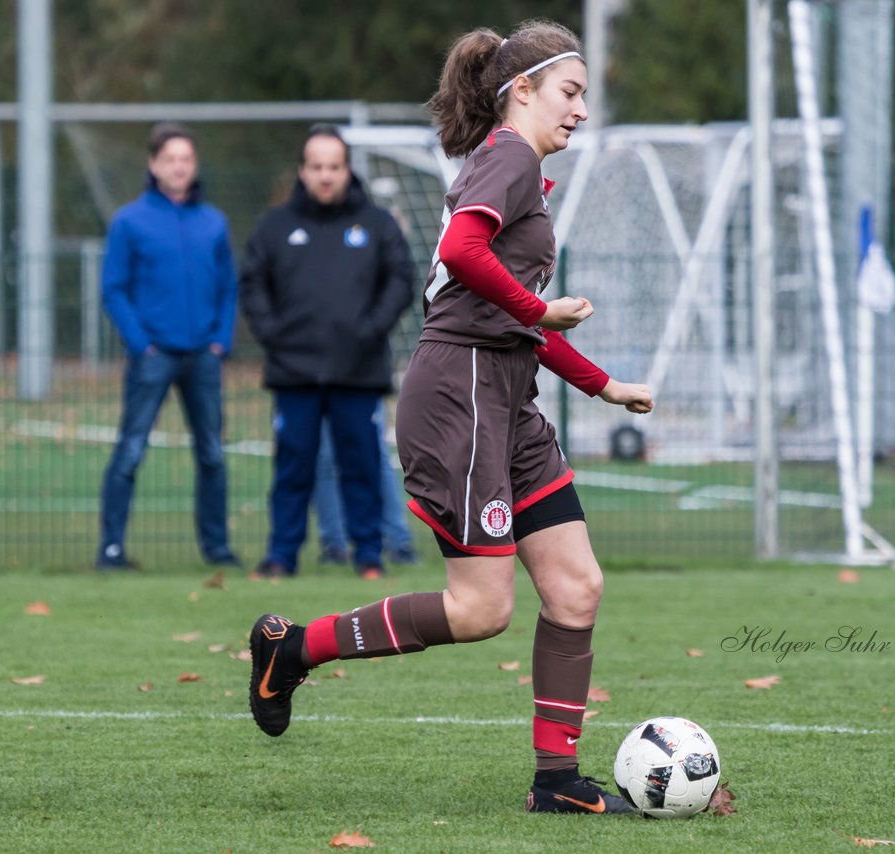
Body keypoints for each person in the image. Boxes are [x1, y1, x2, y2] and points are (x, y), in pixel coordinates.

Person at [246, 21, 654, 816]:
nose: (580, 112)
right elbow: (467, 254)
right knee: (482, 610)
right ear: (522, 91)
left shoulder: (522, 171)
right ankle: (290, 647)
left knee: (576, 587)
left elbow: (517, 327)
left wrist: (602, 385)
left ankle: (556, 782)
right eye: (570, 94)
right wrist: (541, 308)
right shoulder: (506, 156)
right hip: (460, 397)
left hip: (505, 395)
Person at [240, 124, 414, 580]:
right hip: (294, 372)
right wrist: (274, 333)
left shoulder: (376, 225)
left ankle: (369, 555)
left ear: (345, 170)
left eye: (333, 167)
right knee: (292, 469)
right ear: (302, 171)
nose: (325, 176)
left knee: (361, 466)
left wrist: (371, 329)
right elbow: (252, 282)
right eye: (316, 167)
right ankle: (281, 556)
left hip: (358, 371)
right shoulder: (274, 226)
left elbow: (400, 281)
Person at [97, 122, 240, 570]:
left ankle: (217, 549)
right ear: (153, 164)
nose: (179, 167)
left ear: (194, 166)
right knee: (131, 450)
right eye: (170, 159)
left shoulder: (214, 222)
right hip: (153, 356)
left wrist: (220, 341)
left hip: (204, 357)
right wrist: (142, 345)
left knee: (212, 455)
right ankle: (112, 550)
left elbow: (229, 288)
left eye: (187, 159)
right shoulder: (129, 221)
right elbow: (113, 290)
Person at [311, 405, 418, 566]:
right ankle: (334, 547)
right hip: (318, 385)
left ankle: (398, 543)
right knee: (325, 459)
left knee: (376, 459)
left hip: (361, 386)